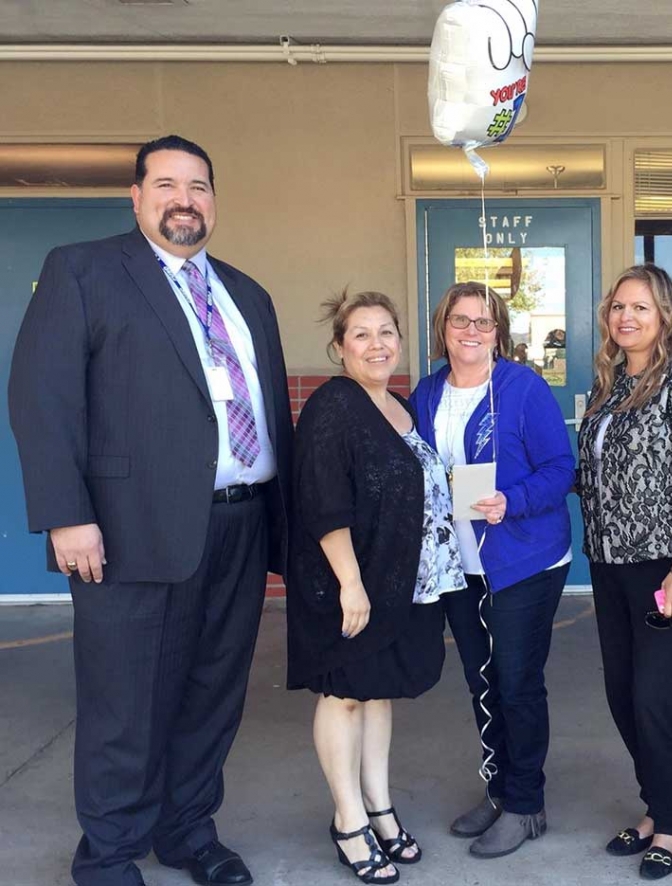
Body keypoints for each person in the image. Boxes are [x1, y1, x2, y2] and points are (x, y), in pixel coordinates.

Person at [8, 135, 293, 886]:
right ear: (135, 198)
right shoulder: (84, 271)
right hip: (126, 532)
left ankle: (187, 830)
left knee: (212, 695)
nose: (184, 199)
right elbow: (43, 400)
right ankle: (106, 854)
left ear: (214, 202)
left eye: (198, 186)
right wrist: (66, 515)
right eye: (165, 184)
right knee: (123, 703)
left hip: (240, 523)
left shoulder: (247, 294)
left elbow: (270, 418)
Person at [286, 290, 465, 884]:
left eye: (386, 332)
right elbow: (323, 500)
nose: (377, 344)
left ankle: (380, 808)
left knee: (378, 691)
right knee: (344, 694)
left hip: (401, 583)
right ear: (339, 348)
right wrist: (351, 584)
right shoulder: (333, 405)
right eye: (361, 334)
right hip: (350, 584)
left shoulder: (399, 406)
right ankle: (348, 820)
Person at [410, 281, 574, 859]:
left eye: (484, 321)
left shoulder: (522, 388)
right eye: (460, 321)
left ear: (498, 332)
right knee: (482, 682)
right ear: (443, 330)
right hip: (463, 563)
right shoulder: (428, 393)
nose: (472, 331)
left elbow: (562, 467)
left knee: (517, 681)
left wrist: (514, 500)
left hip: (525, 558)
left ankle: (526, 804)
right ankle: (500, 790)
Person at [577, 264, 672, 880]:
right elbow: (594, 471)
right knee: (621, 696)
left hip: (665, 567)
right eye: (618, 307)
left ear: (665, 313)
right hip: (608, 562)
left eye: (640, 307)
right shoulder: (611, 383)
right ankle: (655, 804)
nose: (626, 318)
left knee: (654, 700)